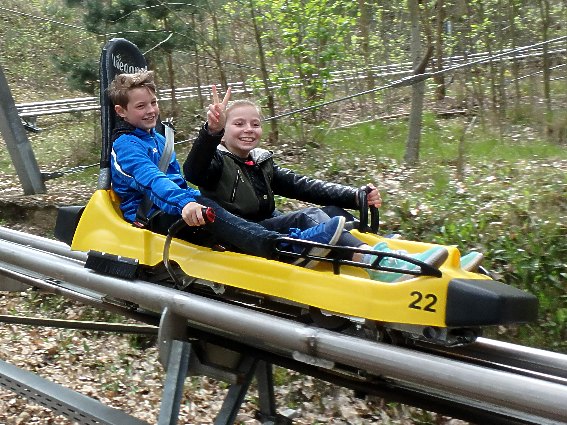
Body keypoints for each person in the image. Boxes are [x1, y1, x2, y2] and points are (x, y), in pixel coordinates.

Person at [184, 86, 458, 281]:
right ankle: (378, 263)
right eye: (238, 124)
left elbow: (303, 185)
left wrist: (354, 196)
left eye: (255, 124)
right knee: (309, 216)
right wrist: (210, 132)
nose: (248, 130)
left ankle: (388, 253)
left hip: (269, 224)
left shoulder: (261, 162)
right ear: (224, 133)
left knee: (332, 212)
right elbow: (193, 171)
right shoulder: (216, 162)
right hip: (246, 235)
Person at [107, 70, 346, 262]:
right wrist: (186, 202)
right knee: (204, 204)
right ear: (121, 111)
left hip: (175, 204)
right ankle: (278, 246)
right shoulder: (125, 146)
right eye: (141, 106)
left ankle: (296, 236)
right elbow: (151, 179)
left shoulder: (157, 138)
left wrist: (189, 199)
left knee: (219, 205)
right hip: (152, 216)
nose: (150, 110)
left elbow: (177, 179)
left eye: (153, 102)